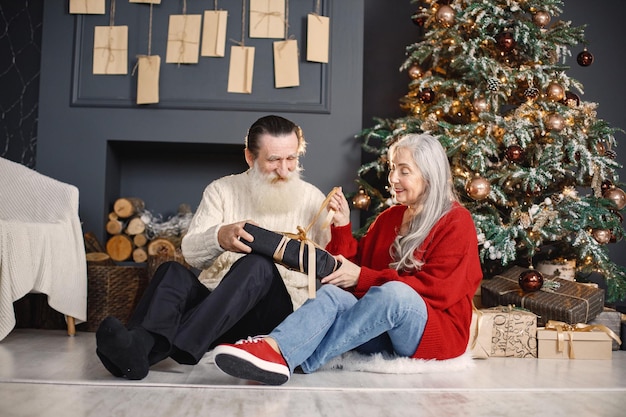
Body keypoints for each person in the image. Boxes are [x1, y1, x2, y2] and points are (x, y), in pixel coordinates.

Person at [213, 133, 483, 385]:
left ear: (429, 176)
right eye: (392, 168)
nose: (393, 178)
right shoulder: (389, 218)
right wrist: (341, 226)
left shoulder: (456, 221)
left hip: (436, 334)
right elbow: (354, 273)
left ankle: (301, 359)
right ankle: (276, 349)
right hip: (382, 330)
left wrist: (363, 277)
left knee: (395, 295)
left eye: (404, 171)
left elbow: (439, 290)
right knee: (333, 295)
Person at [95, 115, 331, 380]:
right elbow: (192, 254)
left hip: (273, 318)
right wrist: (218, 237)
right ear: (250, 158)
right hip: (217, 313)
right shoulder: (221, 190)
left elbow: (331, 269)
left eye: (292, 159)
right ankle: (137, 350)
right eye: (274, 160)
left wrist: (341, 225)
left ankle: (181, 342)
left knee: (258, 263)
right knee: (171, 271)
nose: (285, 169)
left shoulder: (312, 198)